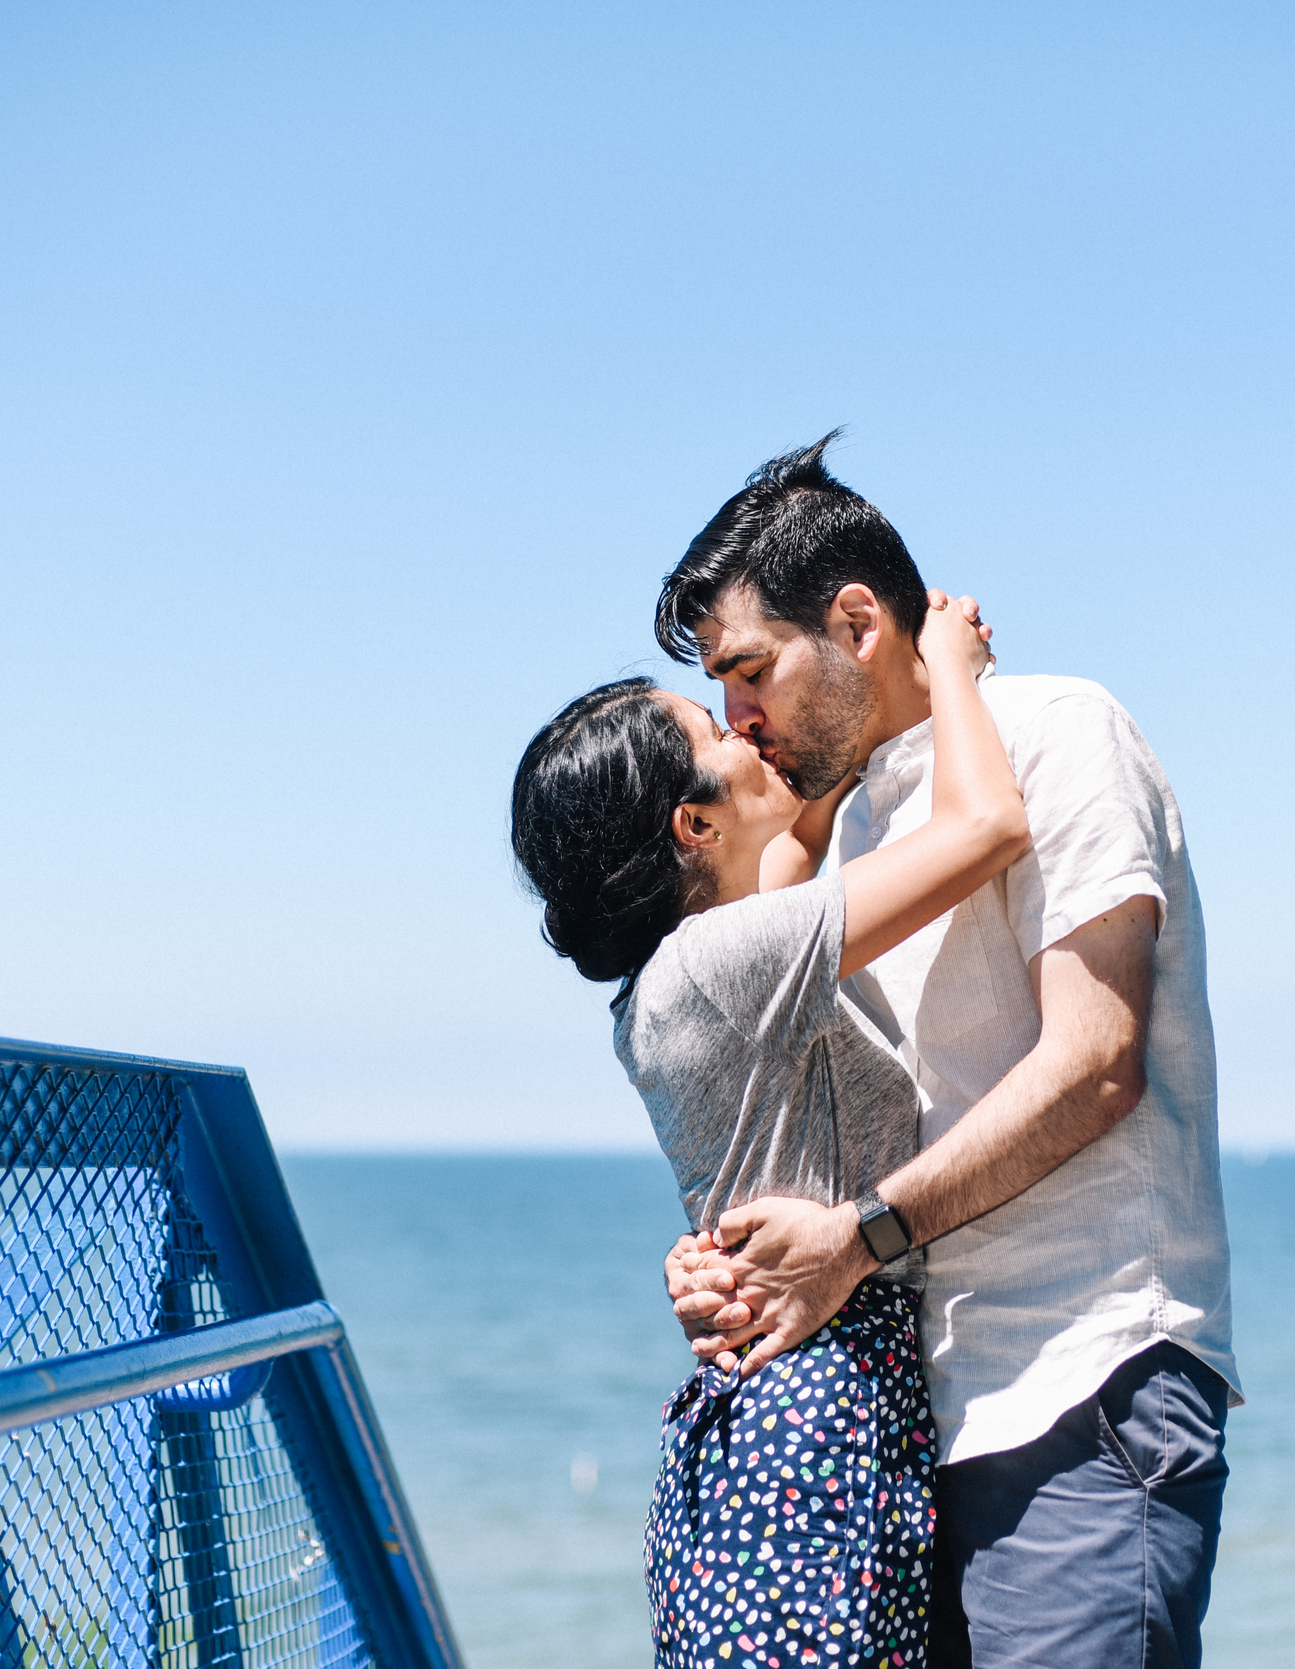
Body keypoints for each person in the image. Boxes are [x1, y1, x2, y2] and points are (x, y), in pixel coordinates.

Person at [658, 434, 1241, 1669]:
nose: (735, 718)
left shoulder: (1058, 731)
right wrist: (728, 1256)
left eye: (747, 671)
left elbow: (1095, 1061)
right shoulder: (856, 822)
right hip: (921, 1425)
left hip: (1084, 1385)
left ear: (859, 621)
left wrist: (857, 1238)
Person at [509, 586, 1023, 1669]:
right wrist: (951, 668)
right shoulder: (727, 963)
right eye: (711, 729)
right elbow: (985, 827)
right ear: (691, 824)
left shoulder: (690, 967)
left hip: (781, 1421)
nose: (740, 724)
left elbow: (800, 829)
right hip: (811, 1433)